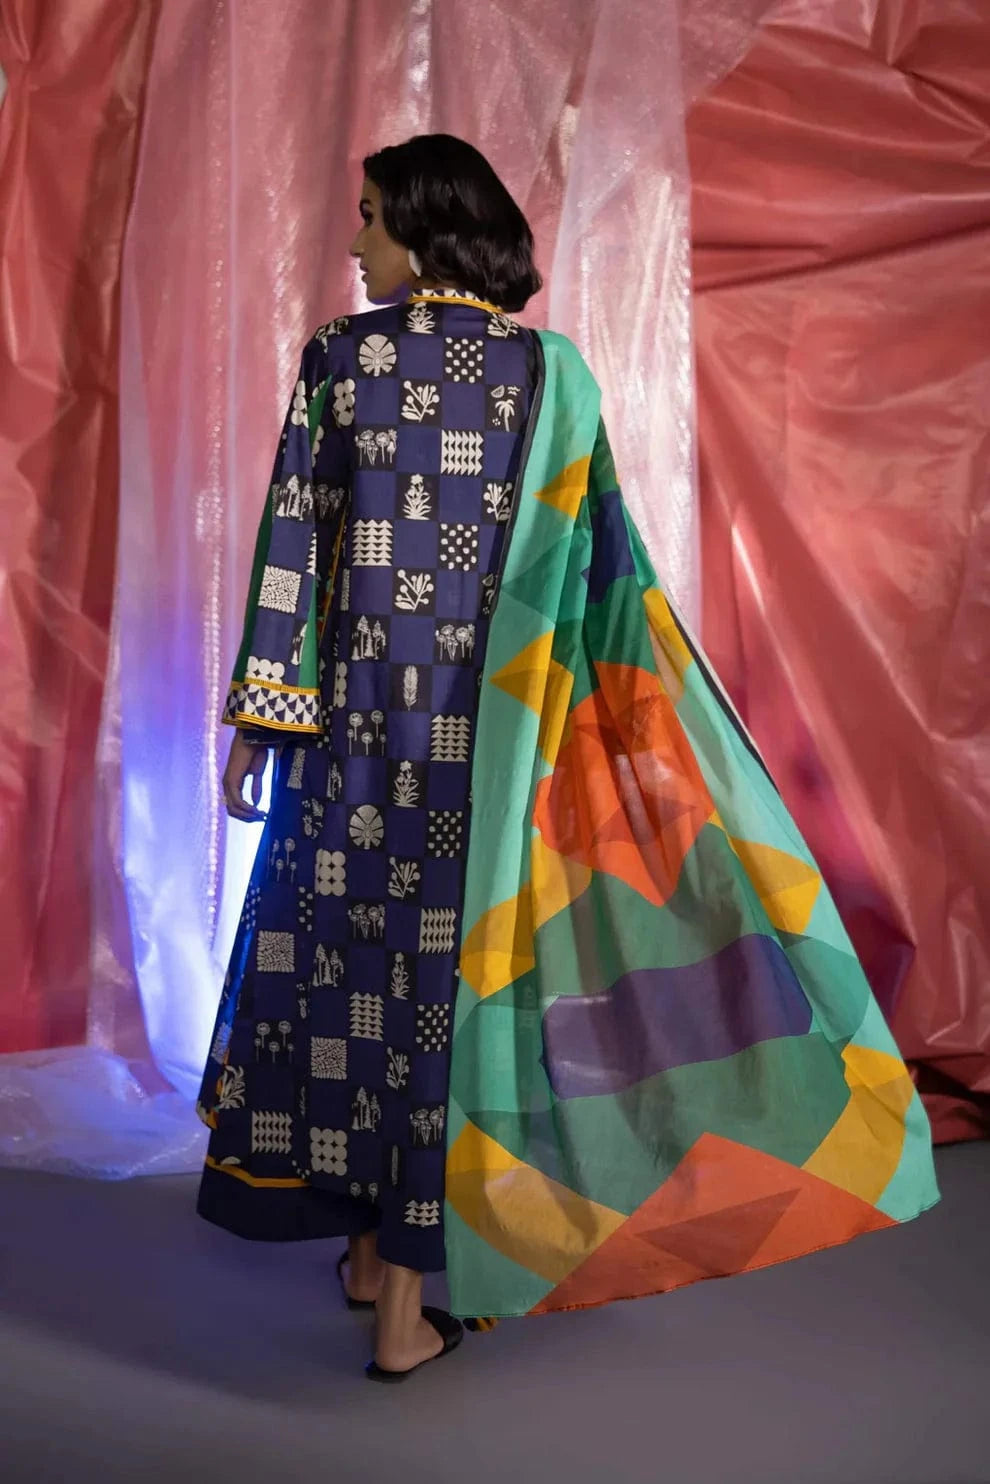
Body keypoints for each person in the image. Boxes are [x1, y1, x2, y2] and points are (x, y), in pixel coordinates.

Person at [196, 134, 940, 1381]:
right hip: (488, 761)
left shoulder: (341, 357)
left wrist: (260, 720)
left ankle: (386, 1284)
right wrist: (621, 745)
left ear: (425, 226)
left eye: (370, 216)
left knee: (347, 982)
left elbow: (292, 548)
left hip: (352, 750)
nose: (355, 242)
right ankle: (390, 1284)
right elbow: (601, 578)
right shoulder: (555, 376)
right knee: (442, 999)